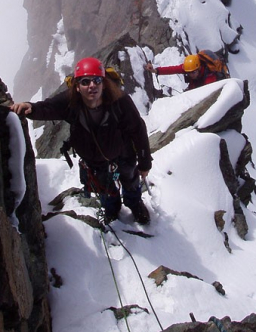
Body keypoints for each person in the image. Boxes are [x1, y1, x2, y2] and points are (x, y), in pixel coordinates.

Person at [10, 57, 152, 225]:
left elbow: (138, 129)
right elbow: (48, 107)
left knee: (130, 178)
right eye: (85, 82)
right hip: (95, 159)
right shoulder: (70, 102)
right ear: (77, 87)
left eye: (97, 80)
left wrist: (144, 163)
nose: (92, 85)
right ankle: (112, 210)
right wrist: (31, 108)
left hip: (122, 152)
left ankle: (135, 204)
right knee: (104, 187)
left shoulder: (120, 102)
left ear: (104, 83)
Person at [145, 54, 220, 90]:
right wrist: (155, 70)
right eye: (188, 73)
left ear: (199, 68)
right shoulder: (190, 68)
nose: (191, 75)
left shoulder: (209, 77)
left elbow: (209, 92)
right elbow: (173, 69)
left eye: (193, 72)